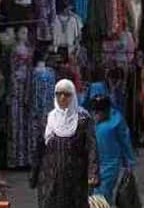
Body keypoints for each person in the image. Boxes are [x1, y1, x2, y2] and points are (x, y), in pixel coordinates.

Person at [30, 78, 99, 208]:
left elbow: (91, 148)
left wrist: (92, 173)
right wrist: (34, 175)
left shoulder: (83, 120)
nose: (62, 97)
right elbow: (39, 149)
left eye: (67, 94)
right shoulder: (48, 119)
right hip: (50, 180)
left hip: (75, 180)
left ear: (73, 96)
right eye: (58, 94)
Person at [90, 95, 136, 205]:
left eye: (100, 111)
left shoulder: (116, 120)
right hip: (93, 164)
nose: (97, 114)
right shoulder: (91, 121)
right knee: (98, 196)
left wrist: (129, 162)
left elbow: (125, 142)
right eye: (95, 111)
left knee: (101, 194)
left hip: (110, 164)